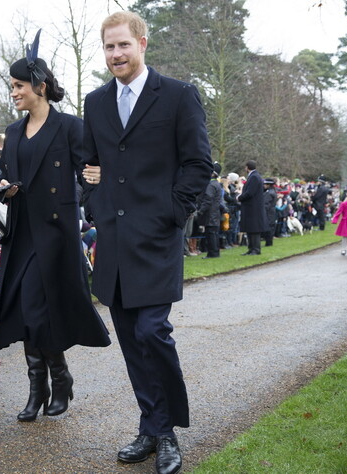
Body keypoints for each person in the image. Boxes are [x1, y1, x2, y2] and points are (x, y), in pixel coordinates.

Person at [82, 12, 212, 474]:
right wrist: (93, 195)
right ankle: (151, 425)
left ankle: (166, 430)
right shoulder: (95, 102)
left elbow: (199, 164)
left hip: (157, 237)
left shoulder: (178, 95)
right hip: (113, 242)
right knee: (131, 341)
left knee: (152, 331)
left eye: (123, 46)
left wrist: (172, 213)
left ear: (141, 43)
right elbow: (89, 161)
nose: (116, 54)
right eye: (108, 47)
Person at [0, 31, 110, 422]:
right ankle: (44, 382)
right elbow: (5, 175)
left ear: (40, 86)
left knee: (40, 310)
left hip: (55, 234)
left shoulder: (70, 127)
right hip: (20, 232)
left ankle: (53, 381)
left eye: (18, 86)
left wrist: (87, 210)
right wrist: (4, 187)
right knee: (26, 311)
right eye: (11, 86)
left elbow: (88, 174)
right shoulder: (11, 132)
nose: (13, 93)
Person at [237, 160, 266, 255]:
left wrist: (239, 198)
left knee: (254, 229)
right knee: (250, 229)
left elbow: (250, 192)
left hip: (253, 207)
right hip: (251, 207)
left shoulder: (254, 177)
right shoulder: (254, 176)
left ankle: (256, 249)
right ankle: (251, 248)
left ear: (247, 167)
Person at [195, 162, 224, 259]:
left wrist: (201, 211)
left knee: (211, 234)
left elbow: (208, 199)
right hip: (214, 213)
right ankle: (214, 252)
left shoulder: (211, 185)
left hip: (210, 214)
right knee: (214, 234)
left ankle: (212, 253)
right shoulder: (216, 184)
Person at [262, 178, 277, 246]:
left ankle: (268, 242)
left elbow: (266, 203)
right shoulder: (272, 191)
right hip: (271, 211)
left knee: (269, 227)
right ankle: (269, 242)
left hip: (269, 212)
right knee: (271, 226)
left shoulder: (269, 193)